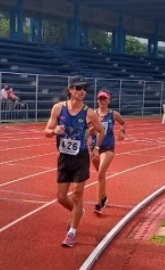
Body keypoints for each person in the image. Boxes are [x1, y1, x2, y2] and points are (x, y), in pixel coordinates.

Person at [43, 75, 105, 248]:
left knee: (77, 193)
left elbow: (101, 131)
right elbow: (46, 131)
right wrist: (54, 130)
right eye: (78, 88)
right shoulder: (58, 108)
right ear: (70, 90)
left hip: (80, 156)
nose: (82, 91)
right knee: (61, 197)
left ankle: (72, 233)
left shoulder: (89, 112)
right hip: (64, 156)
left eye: (84, 88)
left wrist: (96, 148)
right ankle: (77, 212)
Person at [88, 89, 126, 214]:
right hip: (94, 148)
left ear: (109, 100)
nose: (102, 101)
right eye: (100, 99)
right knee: (101, 175)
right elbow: (88, 130)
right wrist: (92, 128)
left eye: (105, 98)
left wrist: (122, 131)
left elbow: (123, 122)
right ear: (97, 100)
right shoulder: (92, 113)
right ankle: (104, 196)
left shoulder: (113, 114)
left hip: (108, 148)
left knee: (100, 174)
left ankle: (99, 204)